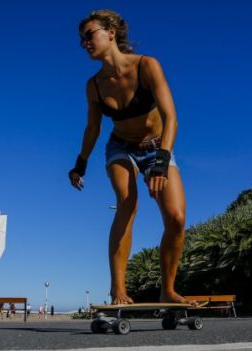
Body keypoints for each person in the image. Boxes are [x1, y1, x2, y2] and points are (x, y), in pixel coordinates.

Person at [69, 10, 189, 305]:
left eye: (89, 35)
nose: (85, 43)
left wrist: (161, 161)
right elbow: (93, 129)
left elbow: (170, 117)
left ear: (111, 32)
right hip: (120, 147)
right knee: (127, 202)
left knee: (176, 218)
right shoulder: (94, 86)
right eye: (81, 39)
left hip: (157, 147)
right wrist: (80, 163)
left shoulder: (147, 65)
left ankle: (168, 289)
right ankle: (117, 290)